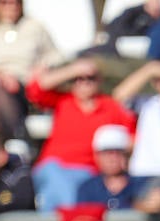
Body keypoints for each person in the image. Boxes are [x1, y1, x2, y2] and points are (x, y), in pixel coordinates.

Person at [26, 57, 137, 211]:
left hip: (89, 172)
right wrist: (73, 69)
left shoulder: (110, 106)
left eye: (90, 78)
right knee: (55, 179)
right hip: (53, 167)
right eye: (77, 79)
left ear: (99, 80)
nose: (84, 83)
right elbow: (35, 89)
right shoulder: (63, 101)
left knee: (54, 194)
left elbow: (132, 138)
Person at [0, 0, 62, 142]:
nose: (12, 7)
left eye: (15, 3)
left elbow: (55, 55)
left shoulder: (34, 27)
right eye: (5, 3)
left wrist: (42, 67)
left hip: (22, 86)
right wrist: (0, 75)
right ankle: (18, 139)